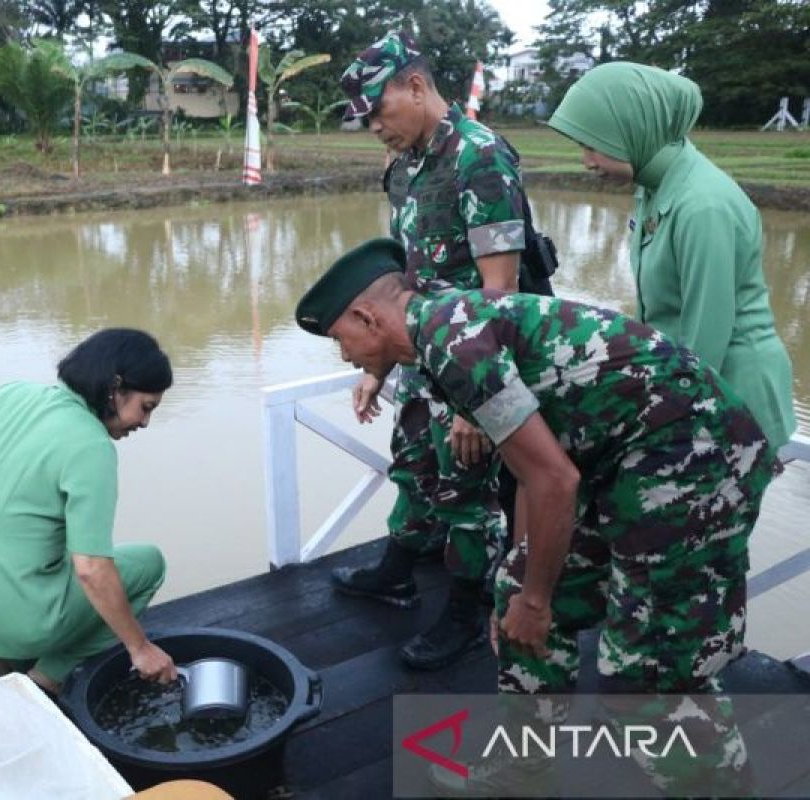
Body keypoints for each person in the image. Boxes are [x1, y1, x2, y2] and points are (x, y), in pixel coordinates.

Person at [296, 238, 777, 792]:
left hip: (696, 464)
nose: (346, 356)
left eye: (341, 339)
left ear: (366, 317)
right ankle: (526, 767)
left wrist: (537, 600)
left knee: (648, 678)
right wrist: (524, 583)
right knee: (514, 594)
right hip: (626, 462)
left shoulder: (455, 344)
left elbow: (555, 481)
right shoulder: (441, 331)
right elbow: (533, 470)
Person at [332, 31, 534, 670]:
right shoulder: (407, 165)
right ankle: (397, 570)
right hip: (422, 356)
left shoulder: (479, 157)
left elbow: (501, 289)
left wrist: (478, 404)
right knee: (414, 462)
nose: (373, 129)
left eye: (377, 112)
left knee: (469, 495)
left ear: (415, 86)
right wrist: (378, 361)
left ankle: (471, 610)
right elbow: (402, 281)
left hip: (473, 363)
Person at [547, 62, 795, 451]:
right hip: (691, 389)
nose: (587, 161)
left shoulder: (702, 206)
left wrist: (666, 425)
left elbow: (706, 332)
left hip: (730, 400)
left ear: (632, 130)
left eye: (593, 145)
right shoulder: (656, 187)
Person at [0, 328, 179, 695]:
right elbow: (92, 569)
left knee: (43, 549)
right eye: (146, 407)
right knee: (148, 564)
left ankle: (1, 660)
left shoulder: (11, 394)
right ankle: (44, 681)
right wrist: (140, 648)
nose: (144, 422)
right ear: (115, 388)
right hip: (11, 617)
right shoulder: (91, 446)